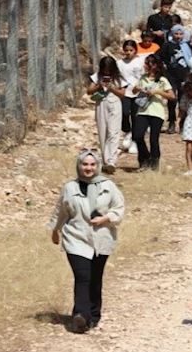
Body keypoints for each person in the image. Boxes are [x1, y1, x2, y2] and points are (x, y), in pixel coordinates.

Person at [49, 150, 125, 333]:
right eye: (85, 164)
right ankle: (80, 315)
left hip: (102, 239)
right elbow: (61, 210)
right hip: (76, 237)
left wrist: (105, 218)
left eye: (92, 164)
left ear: (97, 166)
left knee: (95, 278)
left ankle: (93, 315)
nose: (88, 168)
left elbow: (119, 208)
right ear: (79, 166)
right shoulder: (70, 187)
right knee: (83, 276)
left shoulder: (109, 186)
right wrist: (55, 229)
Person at [132, 54, 175, 171]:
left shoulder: (162, 80)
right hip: (142, 111)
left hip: (157, 112)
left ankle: (154, 163)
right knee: (137, 135)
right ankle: (145, 159)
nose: (145, 66)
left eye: (147, 64)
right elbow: (134, 90)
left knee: (153, 139)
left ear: (154, 65)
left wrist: (157, 92)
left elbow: (171, 96)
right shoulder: (142, 78)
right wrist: (139, 88)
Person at [86, 57, 127, 174]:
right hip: (101, 104)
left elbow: (122, 94)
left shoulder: (119, 78)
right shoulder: (97, 77)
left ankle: (111, 161)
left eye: (109, 70)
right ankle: (105, 161)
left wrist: (112, 88)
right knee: (103, 132)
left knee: (113, 132)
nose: (107, 72)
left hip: (114, 103)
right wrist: (99, 85)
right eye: (105, 69)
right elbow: (89, 91)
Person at [159, 25, 192, 134]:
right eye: (176, 34)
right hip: (171, 76)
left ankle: (183, 122)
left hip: (184, 76)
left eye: (181, 34)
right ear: (172, 34)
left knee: (183, 99)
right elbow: (158, 57)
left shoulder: (187, 45)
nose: (178, 36)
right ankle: (172, 122)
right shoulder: (167, 45)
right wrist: (163, 67)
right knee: (172, 100)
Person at [117, 40, 144, 154]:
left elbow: (144, 76)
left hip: (137, 93)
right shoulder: (120, 63)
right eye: (126, 50)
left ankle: (134, 141)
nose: (128, 52)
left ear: (135, 50)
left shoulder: (140, 62)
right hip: (125, 92)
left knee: (135, 117)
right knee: (124, 113)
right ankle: (128, 131)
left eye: (131, 50)